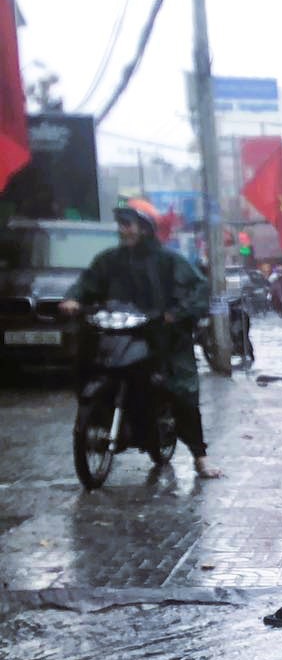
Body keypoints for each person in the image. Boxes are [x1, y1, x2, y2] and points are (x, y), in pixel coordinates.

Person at [57, 205, 223, 479]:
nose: (123, 229)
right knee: (90, 366)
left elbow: (198, 289)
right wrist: (74, 299)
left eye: (128, 224)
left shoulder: (170, 260)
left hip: (163, 338)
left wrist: (174, 314)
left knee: (180, 390)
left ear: (144, 228)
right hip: (120, 334)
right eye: (121, 224)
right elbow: (87, 283)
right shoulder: (109, 260)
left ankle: (200, 456)